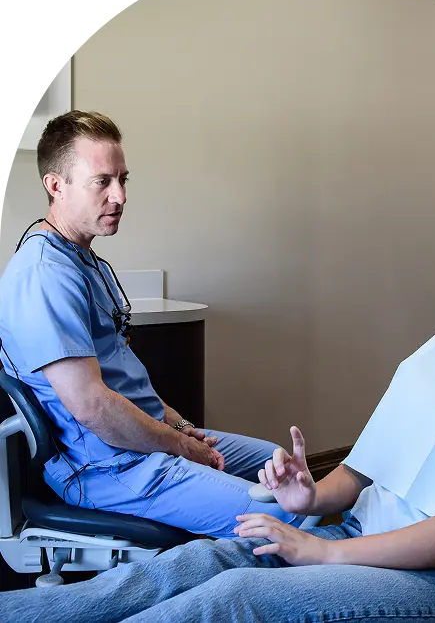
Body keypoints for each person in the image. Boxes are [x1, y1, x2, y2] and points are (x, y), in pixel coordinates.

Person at [1, 210, 435, 623]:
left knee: (231, 599)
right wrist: (309, 499)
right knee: (190, 565)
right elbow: (359, 474)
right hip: (355, 534)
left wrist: (325, 552)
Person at [0, 110, 306, 537]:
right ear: (56, 185)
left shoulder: (86, 260)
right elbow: (94, 408)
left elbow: (125, 381)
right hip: (106, 468)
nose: (120, 196)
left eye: (123, 179)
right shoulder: (43, 274)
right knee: (287, 517)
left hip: (145, 443)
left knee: (286, 473)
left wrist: (183, 429)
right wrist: (181, 446)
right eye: (102, 182)